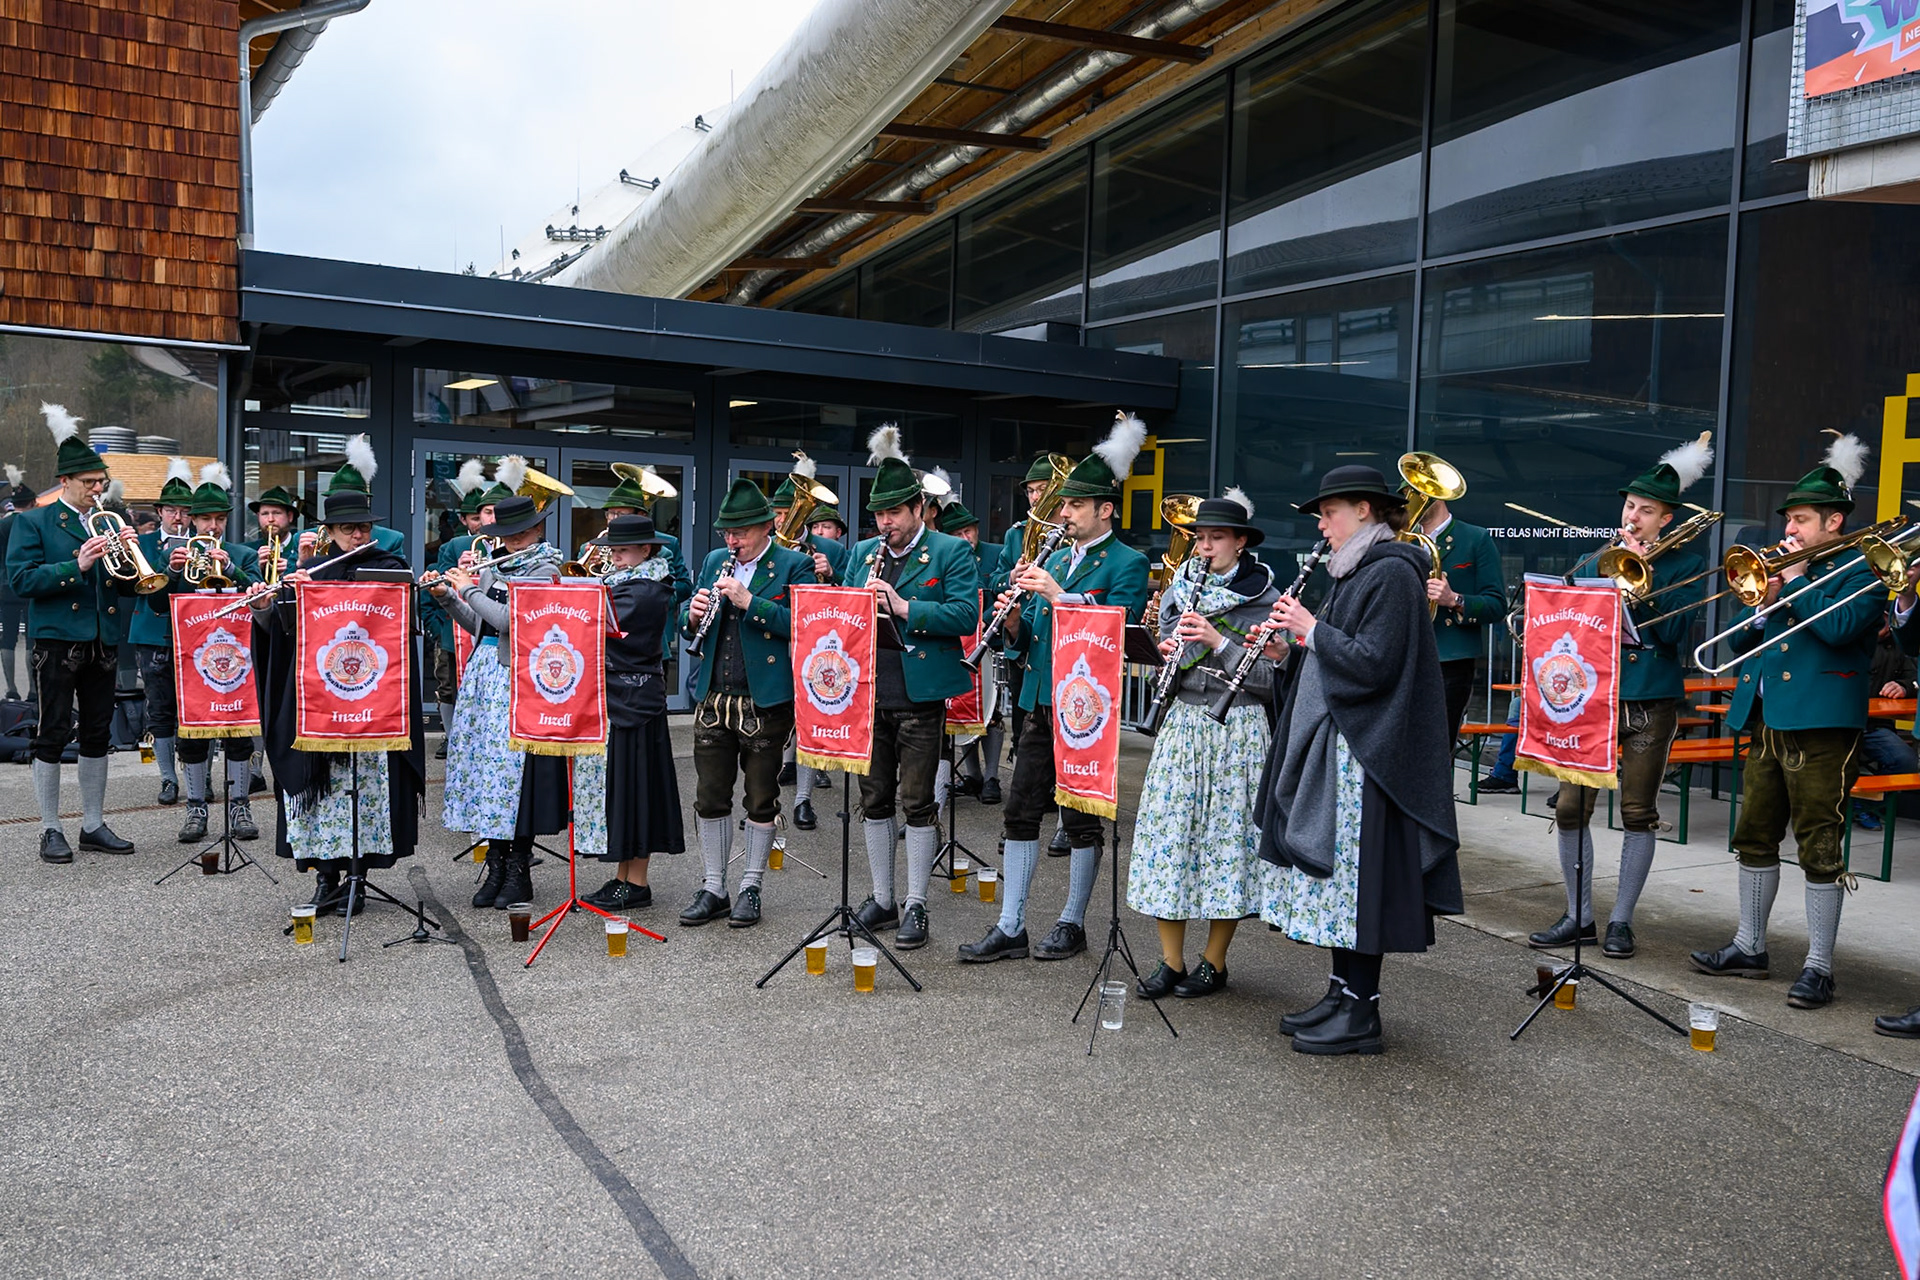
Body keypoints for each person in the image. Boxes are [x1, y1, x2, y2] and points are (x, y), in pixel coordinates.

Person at [1258, 464, 1464, 1056]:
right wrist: (1291, 645)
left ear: (1366, 511)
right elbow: (1335, 657)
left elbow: (1373, 664)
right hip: (1348, 748)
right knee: (1341, 888)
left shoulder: (1394, 573)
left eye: (1330, 512)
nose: (1322, 524)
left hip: (1371, 755)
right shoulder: (1355, 571)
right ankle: (1340, 993)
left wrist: (1310, 628)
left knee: (1360, 885)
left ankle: (1362, 1011)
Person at [1690, 434, 1881, 1010]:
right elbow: (1764, 640)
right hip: (1769, 713)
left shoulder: (1865, 565)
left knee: (1819, 841)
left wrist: (1793, 585)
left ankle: (1820, 967)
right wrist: (1760, 609)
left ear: (1834, 520)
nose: (1790, 531)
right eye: (1790, 520)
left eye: (1801, 520)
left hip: (1823, 722)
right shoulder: (1791, 572)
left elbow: (1844, 629)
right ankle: (1750, 946)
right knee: (1754, 833)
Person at [958, 414, 1151, 964]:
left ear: (1104, 510)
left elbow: (1118, 624)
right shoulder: (1057, 557)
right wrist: (1013, 624)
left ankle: (1072, 922)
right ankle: (1011, 923)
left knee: (1081, 815)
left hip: (1087, 707)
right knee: (1020, 810)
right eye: (1062, 505)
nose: (1061, 514)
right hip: (1039, 699)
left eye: (1073, 506)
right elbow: (1034, 638)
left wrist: (1059, 594)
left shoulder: (1128, 562)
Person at [1529, 433, 1712, 959]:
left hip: (1650, 701)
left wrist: (1644, 575)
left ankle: (1622, 922)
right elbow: (1570, 605)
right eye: (1630, 506)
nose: (1633, 516)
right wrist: (1614, 562)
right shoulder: (1597, 558)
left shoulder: (1687, 565)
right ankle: (1578, 915)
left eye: (1645, 510)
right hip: (1594, 702)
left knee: (1637, 812)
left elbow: (1675, 635)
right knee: (1569, 808)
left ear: (1666, 520)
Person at [1128, 489, 1281, 999]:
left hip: (1237, 728)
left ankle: (1214, 962)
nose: (1205, 547)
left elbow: (1271, 680)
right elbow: (1164, 659)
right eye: (1201, 538)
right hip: (1184, 724)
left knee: (1225, 843)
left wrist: (1219, 643)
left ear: (1240, 542)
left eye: (1217, 538)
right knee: (1170, 838)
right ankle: (1169, 961)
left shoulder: (1266, 599)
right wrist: (1164, 652)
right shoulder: (1179, 590)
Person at [251, 483, 424, 911]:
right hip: (321, 704)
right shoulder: (313, 573)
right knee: (320, 790)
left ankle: (357, 878)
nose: (359, 537)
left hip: (371, 703)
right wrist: (269, 603)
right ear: (331, 532)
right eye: (349, 530)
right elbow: (282, 635)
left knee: (366, 791)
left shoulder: (391, 568)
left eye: (364, 528)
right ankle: (325, 877)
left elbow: (405, 632)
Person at [842, 427, 981, 951]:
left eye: (895, 513)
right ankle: (883, 897)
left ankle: (918, 902)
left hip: (920, 696)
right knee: (874, 799)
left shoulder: (949, 552)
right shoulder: (863, 552)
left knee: (918, 801)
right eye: (879, 514)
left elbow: (966, 613)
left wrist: (903, 607)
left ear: (919, 508)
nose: (885, 523)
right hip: (868, 693)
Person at [434, 494, 602, 911]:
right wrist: (447, 597)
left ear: (538, 529)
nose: (514, 540)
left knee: (513, 776)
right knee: (486, 774)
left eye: (521, 532)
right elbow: (479, 623)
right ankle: (495, 860)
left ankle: (518, 869)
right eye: (506, 534)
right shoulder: (496, 564)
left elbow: (512, 621)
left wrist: (469, 588)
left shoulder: (545, 567)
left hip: (520, 677)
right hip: (485, 672)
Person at [676, 479, 813, 928]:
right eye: (727, 534)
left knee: (761, 797)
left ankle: (751, 885)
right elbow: (685, 621)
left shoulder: (794, 564)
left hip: (765, 700)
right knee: (710, 796)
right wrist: (691, 613)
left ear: (766, 526)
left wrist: (750, 601)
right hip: (715, 695)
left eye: (740, 533)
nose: (731, 541)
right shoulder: (716, 560)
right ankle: (714, 885)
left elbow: (806, 625)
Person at [7, 404, 141, 862]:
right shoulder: (33, 522)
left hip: (102, 640)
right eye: (89, 483)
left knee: (98, 733)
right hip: (56, 641)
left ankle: (92, 824)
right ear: (65, 482)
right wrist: (76, 565)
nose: (97, 490)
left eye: (100, 482)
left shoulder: (112, 519)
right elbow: (20, 581)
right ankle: (48, 828)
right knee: (52, 731)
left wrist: (133, 560)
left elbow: (128, 585)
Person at [151, 464, 262, 843]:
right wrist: (170, 570)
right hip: (191, 660)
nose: (212, 527)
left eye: (218, 519)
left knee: (239, 731)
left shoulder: (243, 555)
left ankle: (240, 806)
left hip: (237, 659)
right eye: (205, 520)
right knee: (192, 734)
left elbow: (260, 592)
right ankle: (196, 807)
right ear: (192, 521)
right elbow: (154, 605)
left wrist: (231, 568)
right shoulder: (178, 555)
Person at [581, 515, 686, 911]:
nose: (615, 557)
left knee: (638, 791)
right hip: (621, 699)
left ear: (646, 550)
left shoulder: (646, 590)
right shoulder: (628, 582)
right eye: (613, 550)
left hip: (635, 702)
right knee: (625, 790)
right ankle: (624, 875)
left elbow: (593, 625)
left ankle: (637, 882)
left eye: (622, 550)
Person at [1411, 477, 1506, 745]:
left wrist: (1454, 599)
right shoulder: (1405, 541)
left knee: (1437, 746)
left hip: (1450, 660)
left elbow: (1497, 604)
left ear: (1437, 494)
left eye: (1416, 491)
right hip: (1407, 654)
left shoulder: (1475, 538)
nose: (1410, 498)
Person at [130, 458, 197, 806]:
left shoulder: (203, 544)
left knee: (198, 710)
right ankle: (168, 778)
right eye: (172, 509)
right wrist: (166, 567)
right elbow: (136, 587)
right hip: (153, 634)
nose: (178, 516)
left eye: (185, 510)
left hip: (195, 635)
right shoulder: (143, 544)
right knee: (160, 709)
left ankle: (196, 778)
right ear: (160, 511)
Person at [420, 459, 487, 759]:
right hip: (453, 627)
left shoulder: (501, 543)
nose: (481, 523)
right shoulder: (456, 544)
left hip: (488, 625)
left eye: (485, 515)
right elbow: (439, 581)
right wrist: (437, 627)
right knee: (447, 684)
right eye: (475, 518)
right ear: (465, 521)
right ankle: (451, 735)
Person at [791, 500, 851, 830]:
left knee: (815, 718)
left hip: (824, 640)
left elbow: (853, 595)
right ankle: (779, 801)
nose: (818, 531)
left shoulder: (833, 551)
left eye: (824, 526)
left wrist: (832, 574)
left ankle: (804, 798)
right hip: (788, 635)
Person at [1852, 619, 1917, 831]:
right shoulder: (1843, 637)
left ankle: (1864, 805)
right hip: (1836, 724)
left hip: (1875, 725)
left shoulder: (1897, 644)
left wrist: (1904, 686)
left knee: (1906, 761)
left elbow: (1915, 675)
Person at [298, 434, 404, 559]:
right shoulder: (304, 538)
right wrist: (303, 562)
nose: (357, 534)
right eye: (348, 528)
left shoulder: (392, 539)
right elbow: (288, 575)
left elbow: (398, 574)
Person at [0, 465, 31, 701]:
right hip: (31, 585)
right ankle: (33, 689)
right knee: (32, 637)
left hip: (5, 585)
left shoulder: (2, 524)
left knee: (8, 637)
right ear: (30, 503)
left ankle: (11, 688)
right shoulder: (33, 523)